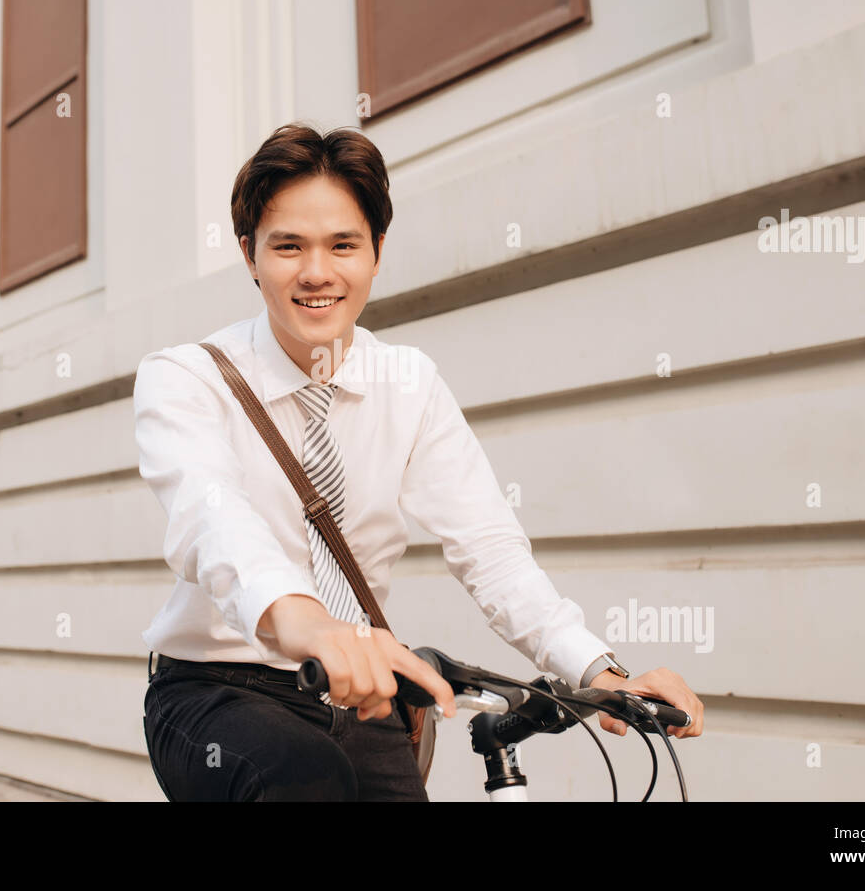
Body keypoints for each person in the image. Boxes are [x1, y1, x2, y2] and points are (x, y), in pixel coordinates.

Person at [135, 122, 704, 801]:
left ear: (376, 252)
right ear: (249, 254)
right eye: (288, 245)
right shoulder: (186, 377)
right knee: (303, 783)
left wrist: (598, 671)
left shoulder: (409, 381)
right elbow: (213, 517)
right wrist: (306, 621)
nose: (317, 271)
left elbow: (491, 549)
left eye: (343, 244)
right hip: (217, 691)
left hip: (367, 692)